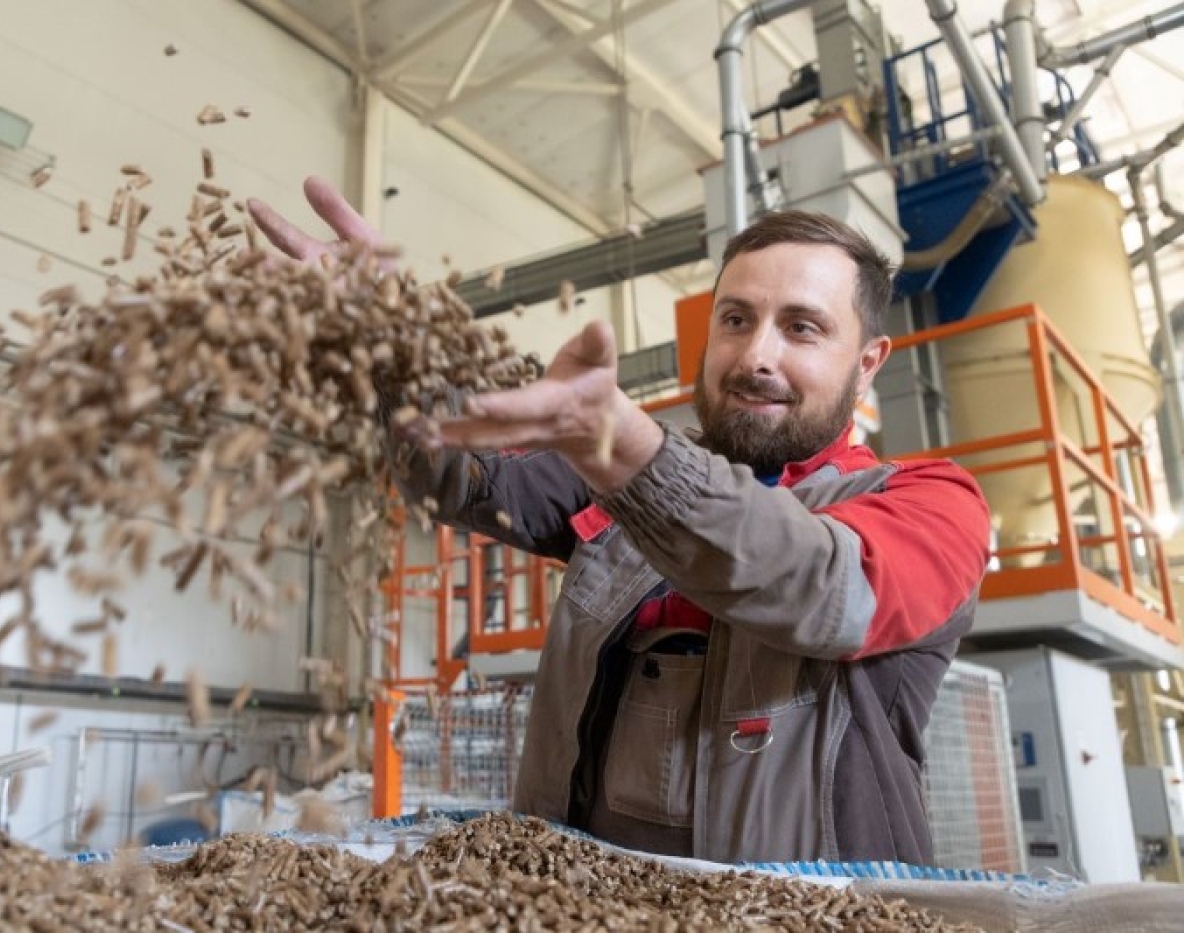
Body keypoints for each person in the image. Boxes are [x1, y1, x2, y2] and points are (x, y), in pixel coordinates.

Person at [249, 178, 990, 864]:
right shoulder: (623, 472)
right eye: (736, 319)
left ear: (868, 363)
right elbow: (465, 474)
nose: (757, 354)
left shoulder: (932, 501)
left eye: (802, 328)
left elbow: (818, 586)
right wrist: (398, 350)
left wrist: (631, 448)